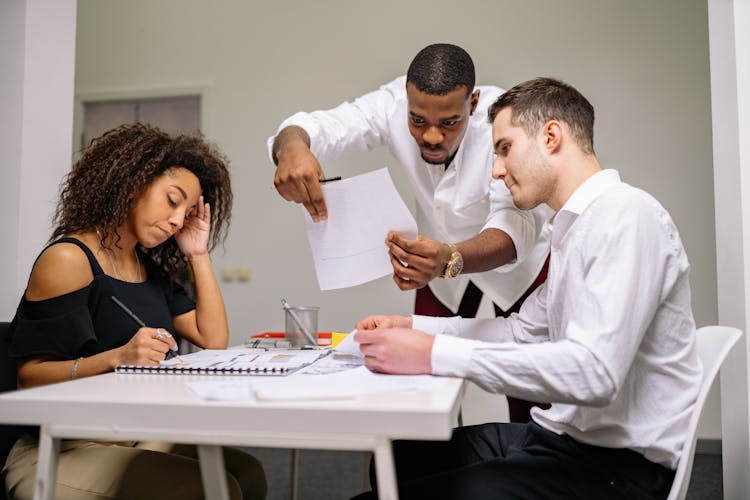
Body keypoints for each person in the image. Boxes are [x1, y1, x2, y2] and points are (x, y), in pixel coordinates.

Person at [351, 77, 701, 499]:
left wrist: (434, 354)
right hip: (562, 441)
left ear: (551, 137)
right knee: (400, 457)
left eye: (504, 149)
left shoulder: (626, 216)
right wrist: (414, 328)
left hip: (614, 468)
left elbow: (595, 373)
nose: (496, 170)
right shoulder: (575, 228)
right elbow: (521, 331)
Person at [269, 43, 552, 422]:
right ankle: (435, 472)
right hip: (438, 269)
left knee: (529, 393)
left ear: (472, 103)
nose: (432, 136)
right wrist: (291, 145)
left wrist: (448, 259)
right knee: (420, 375)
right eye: (418, 121)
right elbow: (323, 127)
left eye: (449, 122)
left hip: (516, 269)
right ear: (405, 102)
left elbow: (512, 228)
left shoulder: (503, 121)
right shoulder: (390, 104)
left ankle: (525, 474)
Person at [2, 124, 267, 500]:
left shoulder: (149, 269)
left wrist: (198, 253)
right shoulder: (69, 259)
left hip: (132, 434)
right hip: (63, 448)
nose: (178, 219)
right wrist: (118, 358)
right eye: (172, 200)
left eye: (187, 212)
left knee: (248, 472)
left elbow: (213, 339)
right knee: (212, 487)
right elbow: (29, 379)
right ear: (132, 183)